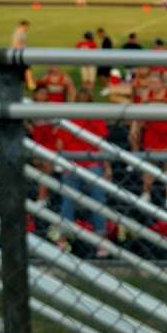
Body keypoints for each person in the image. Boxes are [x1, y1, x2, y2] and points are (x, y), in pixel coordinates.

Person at [55, 88, 112, 257]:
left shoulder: (69, 119)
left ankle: (63, 240)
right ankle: (101, 242)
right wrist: (107, 167)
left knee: (68, 202)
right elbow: (101, 144)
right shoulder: (95, 117)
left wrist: (62, 163)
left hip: (72, 163)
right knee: (98, 202)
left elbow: (59, 144)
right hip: (92, 164)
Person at [141, 71, 167, 209]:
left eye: (155, 82)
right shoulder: (146, 94)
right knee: (149, 165)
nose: (152, 85)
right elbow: (139, 112)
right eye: (150, 82)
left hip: (166, 134)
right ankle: (146, 193)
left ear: (162, 82)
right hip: (151, 133)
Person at [28, 85, 56, 204]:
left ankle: (42, 197)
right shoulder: (30, 106)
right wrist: (30, 127)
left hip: (49, 140)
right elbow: (25, 119)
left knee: (46, 169)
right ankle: (44, 197)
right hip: (38, 139)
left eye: (45, 93)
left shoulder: (50, 107)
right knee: (41, 170)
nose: (43, 96)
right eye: (41, 93)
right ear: (35, 94)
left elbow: (57, 125)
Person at [11, 20, 34, 89]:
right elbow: (15, 44)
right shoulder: (18, 32)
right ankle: (30, 84)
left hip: (22, 54)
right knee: (27, 69)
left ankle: (28, 84)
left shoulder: (21, 32)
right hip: (20, 55)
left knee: (26, 70)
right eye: (27, 26)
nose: (27, 28)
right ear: (23, 25)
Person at [96, 28, 114, 95]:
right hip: (105, 60)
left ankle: (107, 89)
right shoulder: (105, 39)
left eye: (99, 34)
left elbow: (106, 50)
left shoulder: (107, 40)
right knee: (104, 76)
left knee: (103, 76)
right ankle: (108, 89)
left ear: (102, 33)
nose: (99, 36)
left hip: (105, 60)